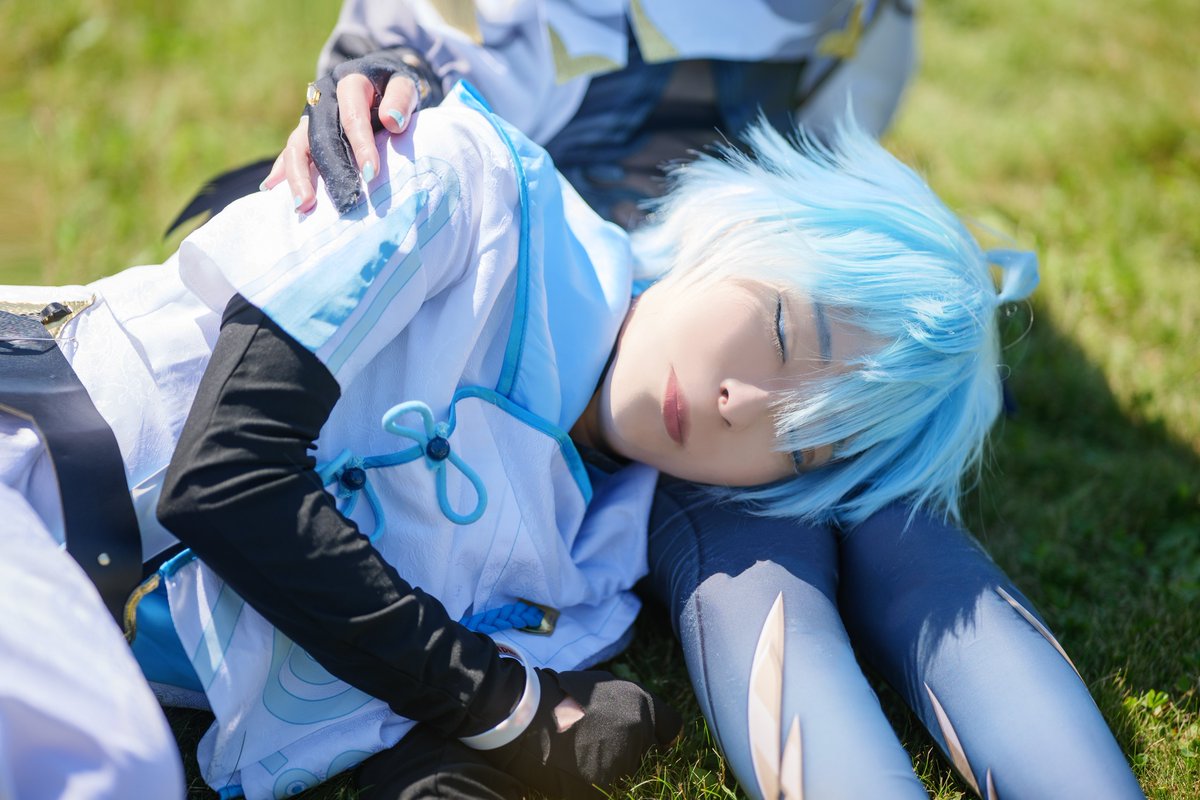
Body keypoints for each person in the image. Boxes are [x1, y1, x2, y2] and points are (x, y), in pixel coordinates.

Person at [6, 76, 1050, 798]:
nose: (740, 400)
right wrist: (509, 704)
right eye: (783, 330)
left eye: (803, 439)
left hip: (74, 654)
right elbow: (227, 474)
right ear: (745, 230)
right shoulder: (468, 183)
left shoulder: (590, 583)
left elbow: (390, 738)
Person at [242, 2, 1147, 798]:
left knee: (862, 487)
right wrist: (385, 93)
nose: (739, 401)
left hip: (720, 287)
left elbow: (826, 178)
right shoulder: (483, 205)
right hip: (591, 282)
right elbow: (397, 79)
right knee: (786, 520)